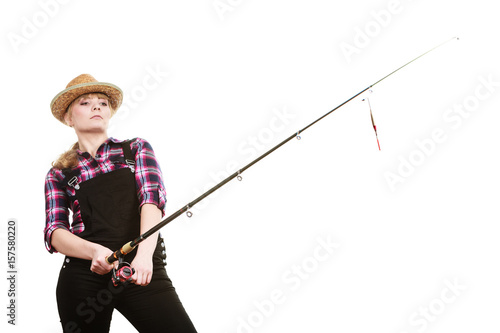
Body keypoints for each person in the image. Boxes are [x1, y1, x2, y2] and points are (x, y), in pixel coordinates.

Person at [44, 74, 197, 332]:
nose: (96, 107)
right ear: (69, 118)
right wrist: (94, 252)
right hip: (83, 277)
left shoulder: (136, 149)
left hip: (140, 267)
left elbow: (151, 201)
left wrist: (144, 256)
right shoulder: (59, 173)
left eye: (102, 103)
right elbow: (55, 232)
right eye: (85, 102)